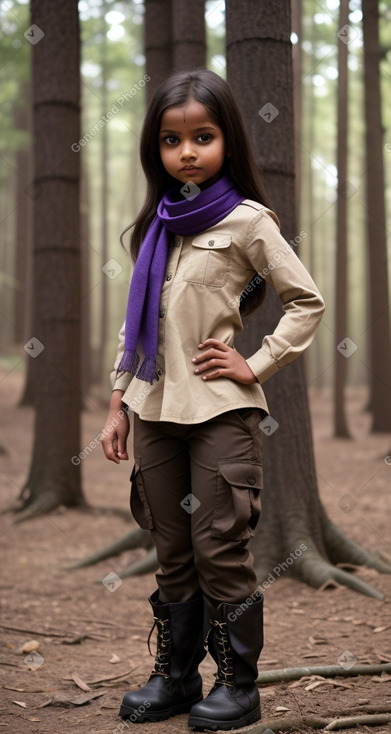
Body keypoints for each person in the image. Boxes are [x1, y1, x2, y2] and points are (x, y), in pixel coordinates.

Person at [101, 68, 325, 731]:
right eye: (172, 140)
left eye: (202, 136)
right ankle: (175, 678)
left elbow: (304, 302)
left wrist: (252, 362)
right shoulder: (155, 227)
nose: (187, 152)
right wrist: (116, 403)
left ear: (227, 140)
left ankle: (238, 685)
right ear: (157, 149)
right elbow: (132, 325)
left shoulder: (248, 222)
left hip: (220, 411)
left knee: (218, 547)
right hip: (152, 411)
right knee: (171, 548)